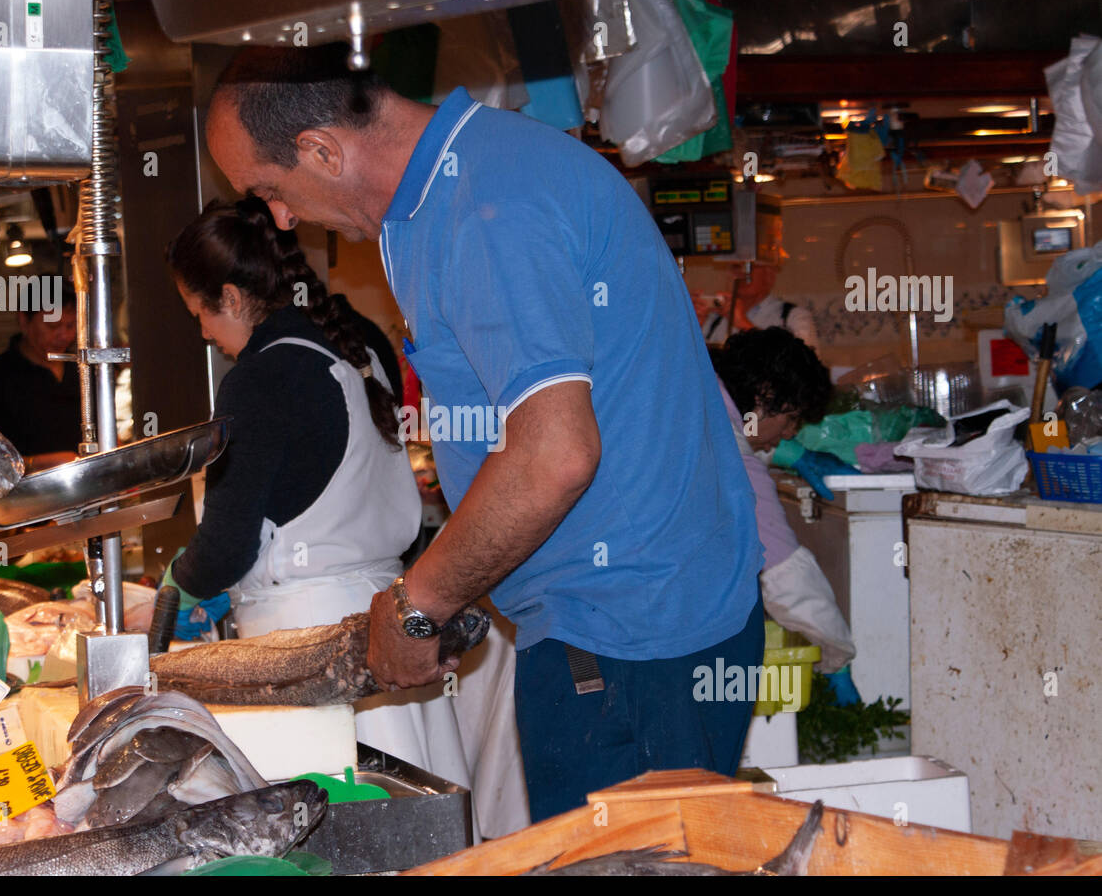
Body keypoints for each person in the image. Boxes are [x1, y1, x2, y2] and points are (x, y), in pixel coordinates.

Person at [205, 46, 764, 822]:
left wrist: (416, 605)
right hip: (619, 625)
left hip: (630, 640)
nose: (283, 218)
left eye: (271, 191)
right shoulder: (457, 186)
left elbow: (555, 456)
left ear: (323, 150)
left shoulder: (484, 212)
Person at [161, 197, 471, 788]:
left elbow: (227, 547)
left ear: (230, 297)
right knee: (425, 838)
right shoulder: (359, 341)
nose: (202, 332)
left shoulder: (257, 379)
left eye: (198, 312)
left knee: (339, 845)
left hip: (311, 653)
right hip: (391, 620)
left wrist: (182, 580)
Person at [710, 328, 856, 674]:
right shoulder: (732, 455)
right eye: (791, 419)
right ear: (764, 395)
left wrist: (789, 453)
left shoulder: (704, 390)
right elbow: (785, 575)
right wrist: (834, 654)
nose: (790, 432)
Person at [0, 285, 79, 470]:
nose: (64, 335)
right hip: (22, 495)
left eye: (71, 325)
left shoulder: (83, 371)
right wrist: (35, 464)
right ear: (24, 320)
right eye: (53, 326)